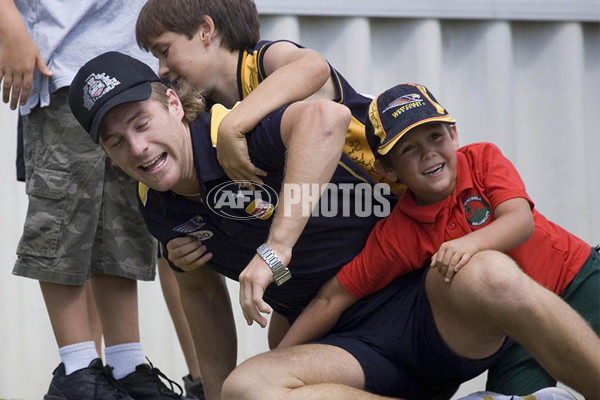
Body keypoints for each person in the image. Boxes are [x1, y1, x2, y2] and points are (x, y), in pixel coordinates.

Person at [69, 52, 597, 400]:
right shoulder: (156, 204)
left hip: (427, 303)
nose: (136, 148)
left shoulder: (232, 134)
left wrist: (276, 248)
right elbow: (203, 299)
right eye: (115, 141)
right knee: (246, 389)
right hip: (347, 345)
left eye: (141, 124)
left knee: (484, 272)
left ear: (174, 105)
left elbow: (325, 117)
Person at [272, 83, 600, 398]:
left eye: (435, 136)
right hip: (518, 334)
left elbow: (520, 222)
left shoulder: (482, 160)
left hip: (578, 278)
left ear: (453, 134)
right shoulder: (399, 232)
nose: (429, 153)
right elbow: (333, 297)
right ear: (388, 169)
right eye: (410, 148)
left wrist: (469, 245)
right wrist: (280, 359)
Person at [0, 1, 183, 398]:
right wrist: (7, 19)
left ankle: (126, 365)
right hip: (63, 68)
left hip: (136, 69)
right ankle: (77, 370)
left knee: (122, 227)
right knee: (62, 223)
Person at [134, 0, 406, 196]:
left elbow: (314, 67)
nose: (162, 70)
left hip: (402, 190)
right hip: (352, 212)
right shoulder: (206, 111)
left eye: (164, 51)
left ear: (206, 30)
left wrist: (233, 124)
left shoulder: (262, 61)